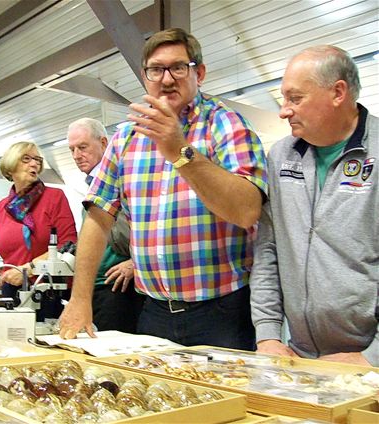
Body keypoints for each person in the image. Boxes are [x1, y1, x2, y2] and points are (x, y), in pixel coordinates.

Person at [59, 28, 268, 349]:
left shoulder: (227, 125)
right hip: (153, 312)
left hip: (222, 311)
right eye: (156, 69)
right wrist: (80, 299)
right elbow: (98, 219)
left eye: (178, 68)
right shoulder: (126, 138)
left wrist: (180, 151)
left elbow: (246, 211)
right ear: (145, 77)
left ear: (199, 73)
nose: (166, 79)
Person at [249, 46, 378, 366]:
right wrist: (267, 336)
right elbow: (268, 249)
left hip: (366, 360)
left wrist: (371, 357)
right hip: (298, 355)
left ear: (338, 92)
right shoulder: (281, 157)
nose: (283, 110)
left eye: (295, 98)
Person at [67, 118, 144, 333]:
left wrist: (134, 263)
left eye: (82, 147)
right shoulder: (90, 185)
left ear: (103, 143)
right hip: (99, 286)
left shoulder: (120, 180)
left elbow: (127, 235)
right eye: (72, 149)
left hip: (119, 288)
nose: (76, 155)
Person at [0, 141, 77, 316]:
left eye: (38, 160)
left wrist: (28, 269)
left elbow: (68, 244)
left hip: (48, 292)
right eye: (26, 159)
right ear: (10, 167)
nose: (34, 164)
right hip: (11, 291)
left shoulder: (54, 197)